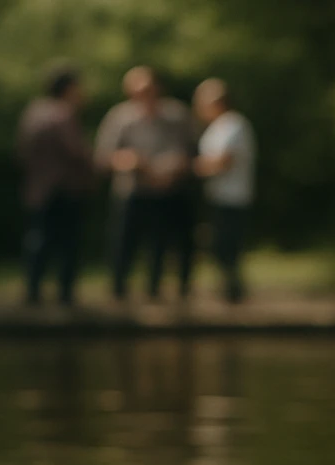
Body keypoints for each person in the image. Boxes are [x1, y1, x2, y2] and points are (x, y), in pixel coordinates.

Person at [94, 67, 198, 301]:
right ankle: (118, 291)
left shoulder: (178, 115)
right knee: (124, 243)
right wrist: (132, 161)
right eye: (137, 92)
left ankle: (161, 291)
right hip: (133, 191)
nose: (143, 96)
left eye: (148, 90)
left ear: (158, 88)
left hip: (170, 190)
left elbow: (193, 151)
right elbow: (104, 158)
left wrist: (177, 166)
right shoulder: (119, 117)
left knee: (166, 244)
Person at [17, 65, 94, 306]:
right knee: (68, 242)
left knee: (38, 238)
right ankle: (65, 293)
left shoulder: (33, 112)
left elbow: (21, 151)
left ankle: (33, 290)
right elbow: (76, 151)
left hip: (38, 187)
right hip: (64, 188)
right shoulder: (63, 113)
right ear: (69, 88)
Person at [193, 78, 256, 303]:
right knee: (219, 245)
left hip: (233, 197)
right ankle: (229, 291)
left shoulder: (234, 124)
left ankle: (234, 293)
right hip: (219, 196)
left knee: (227, 246)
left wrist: (191, 167)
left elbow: (224, 161)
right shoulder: (218, 126)